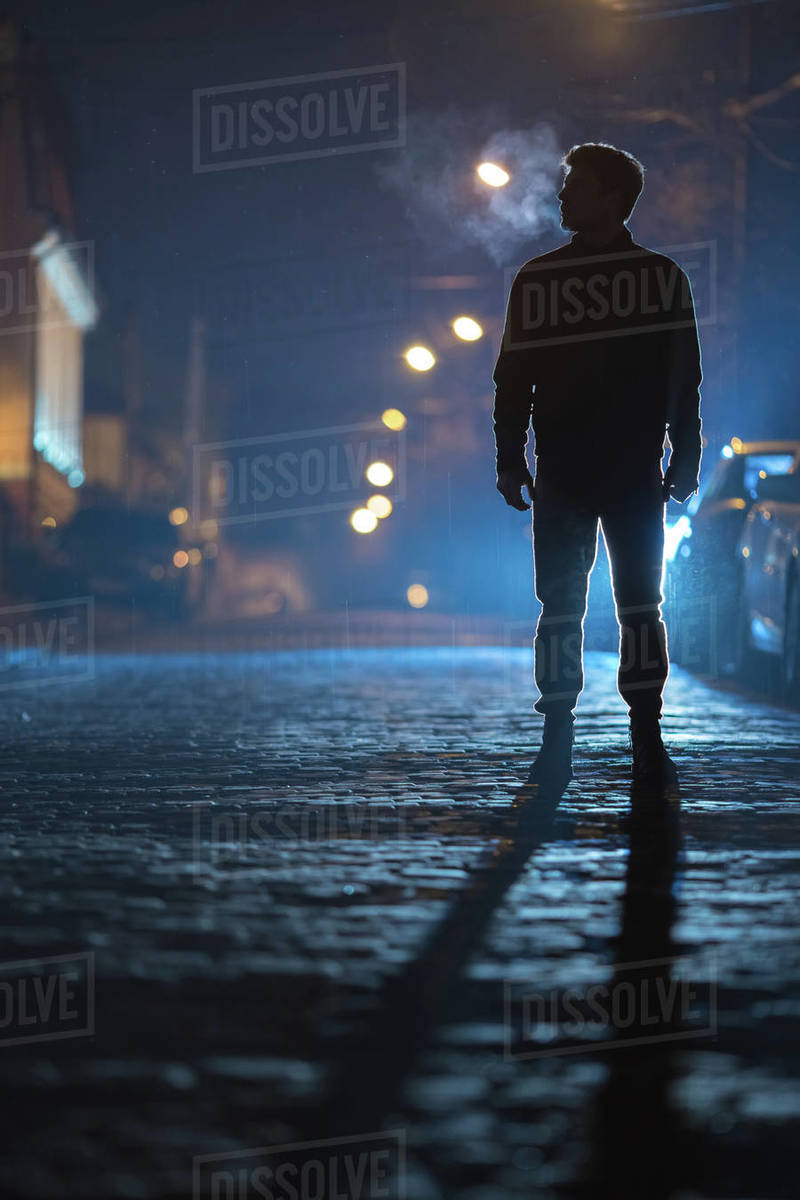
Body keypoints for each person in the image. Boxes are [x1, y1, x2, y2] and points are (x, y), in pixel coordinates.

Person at [493, 142, 703, 796]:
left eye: (574, 186)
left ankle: (572, 727)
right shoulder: (658, 276)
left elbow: (513, 382)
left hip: (579, 469)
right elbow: (683, 381)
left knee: (571, 605)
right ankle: (637, 730)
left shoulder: (541, 280)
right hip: (625, 471)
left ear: (610, 196)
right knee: (636, 605)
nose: (561, 196)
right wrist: (684, 457)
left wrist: (511, 458)